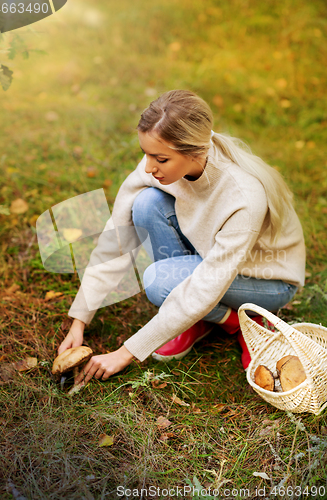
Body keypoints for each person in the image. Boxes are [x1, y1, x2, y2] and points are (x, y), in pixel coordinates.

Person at [58, 89, 305, 385]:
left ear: (195, 152)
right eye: (146, 154)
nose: (149, 167)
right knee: (146, 203)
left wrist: (125, 352)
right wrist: (80, 321)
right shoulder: (160, 163)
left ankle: (244, 321)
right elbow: (116, 240)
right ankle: (193, 317)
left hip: (265, 279)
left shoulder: (243, 196)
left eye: (160, 159)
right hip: (213, 256)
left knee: (159, 281)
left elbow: (206, 285)